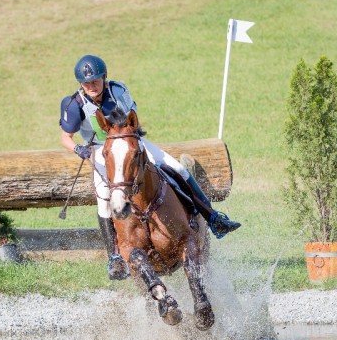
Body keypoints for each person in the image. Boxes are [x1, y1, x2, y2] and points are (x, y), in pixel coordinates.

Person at [59, 55, 240, 280]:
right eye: (86, 83)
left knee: (177, 168)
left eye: (95, 81)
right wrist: (78, 149)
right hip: (99, 149)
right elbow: (65, 137)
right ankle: (114, 257)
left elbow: (133, 121)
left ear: (104, 78)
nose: (91, 86)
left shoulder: (117, 90)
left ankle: (213, 218)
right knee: (104, 195)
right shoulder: (73, 104)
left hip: (128, 141)